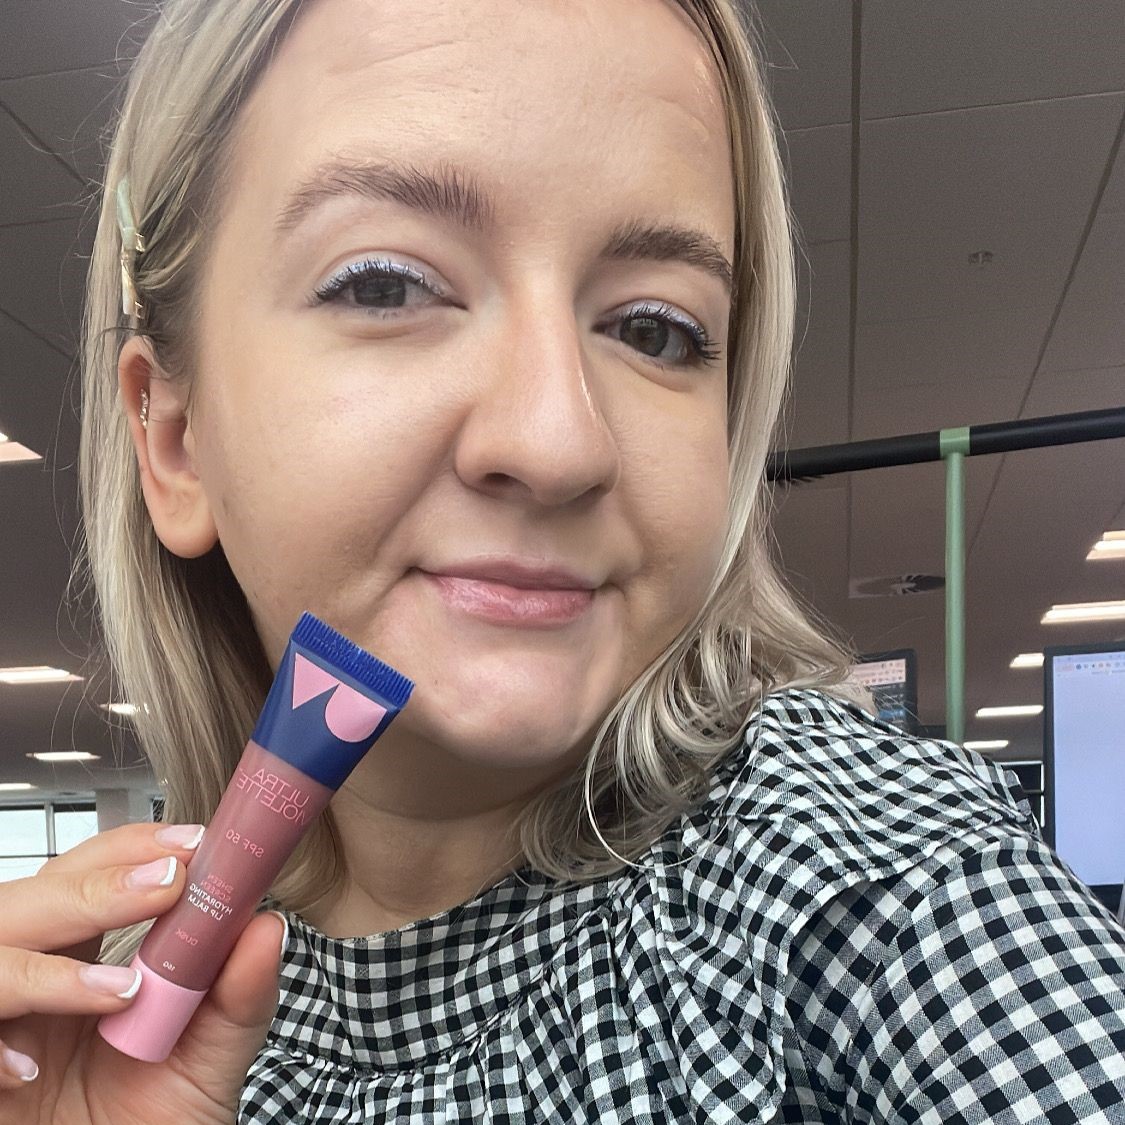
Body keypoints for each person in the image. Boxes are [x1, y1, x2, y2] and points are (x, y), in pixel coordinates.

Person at [1, 0, 1123, 1119]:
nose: (558, 441)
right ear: (175, 440)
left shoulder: (874, 885)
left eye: (655, 329)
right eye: (387, 283)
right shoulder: (134, 1021)